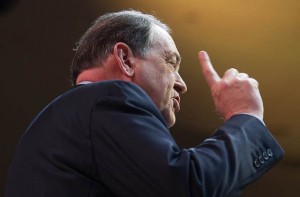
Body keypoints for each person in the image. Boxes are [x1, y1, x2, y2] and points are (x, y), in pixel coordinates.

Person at [5, 10, 284, 197]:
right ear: (125, 59)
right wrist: (245, 116)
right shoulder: (107, 99)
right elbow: (187, 185)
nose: (181, 83)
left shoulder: (65, 123)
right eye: (171, 63)